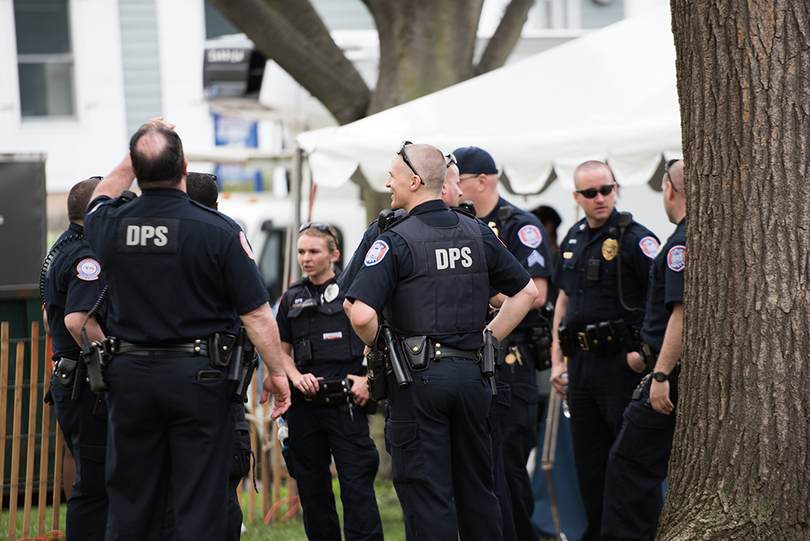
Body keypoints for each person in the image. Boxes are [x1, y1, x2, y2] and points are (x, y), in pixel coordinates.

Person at [83, 119, 290, 541]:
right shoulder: (218, 229)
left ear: (137, 172)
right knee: (200, 498)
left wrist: (134, 153)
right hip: (199, 379)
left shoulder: (108, 225)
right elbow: (256, 315)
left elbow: (100, 194)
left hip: (130, 378)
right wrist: (279, 373)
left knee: (132, 498)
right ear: (184, 166)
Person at [347, 141, 538, 540]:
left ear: (415, 182)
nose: (387, 183)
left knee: (427, 494)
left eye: (393, 177)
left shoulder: (395, 238)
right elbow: (528, 293)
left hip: (419, 383)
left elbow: (362, 313)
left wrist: (379, 345)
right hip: (474, 379)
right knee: (478, 493)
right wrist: (489, 338)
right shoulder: (477, 231)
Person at [549, 160, 660, 541]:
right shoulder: (574, 237)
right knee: (591, 466)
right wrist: (556, 361)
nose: (601, 198)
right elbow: (561, 302)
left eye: (607, 189)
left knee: (627, 465)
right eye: (591, 192)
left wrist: (643, 356)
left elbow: (663, 303)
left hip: (622, 368)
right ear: (577, 197)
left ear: (616, 189)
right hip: (580, 370)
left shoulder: (636, 239)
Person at [453, 145, 553, 541]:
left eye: (456, 182)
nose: (452, 190)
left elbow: (538, 293)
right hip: (475, 365)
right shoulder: (459, 225)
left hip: (513, 359)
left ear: (482, 181)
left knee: (510, 465)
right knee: (483, 467)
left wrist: (482, 293)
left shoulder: (517, 225)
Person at [276, 221, 384, 541]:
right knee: (312, 491)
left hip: (347, 405)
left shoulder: (356, 293)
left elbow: (381, 340)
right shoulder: (291, 297)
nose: (305, 258)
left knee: (357, 489)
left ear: (334, 254)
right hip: (305, 408)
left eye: (313, 251)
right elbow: (279, 351)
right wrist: (295, 375)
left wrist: (369, 379)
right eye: (300, 251)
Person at [601, 158, 685, 541]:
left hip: (665, 378)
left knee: (626, 468)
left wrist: (662, 373)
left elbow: (681, 315)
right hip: (659, 369)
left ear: (670, 189)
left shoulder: (680, 244)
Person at [185, 171, 252, 541]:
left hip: (169, 374)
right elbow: (253, 307)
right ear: (216, 203)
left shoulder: (171, 230)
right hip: (220, 375)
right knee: (223, 481)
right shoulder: (228, 233)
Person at [41, 176, 108, 541]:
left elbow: (49, 316)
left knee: (84, 471)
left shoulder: (59, 249)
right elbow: (77, 320)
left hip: (68, 378)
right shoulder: (87, 255)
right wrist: (113, 361)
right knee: (96, 487)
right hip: (88, 383)